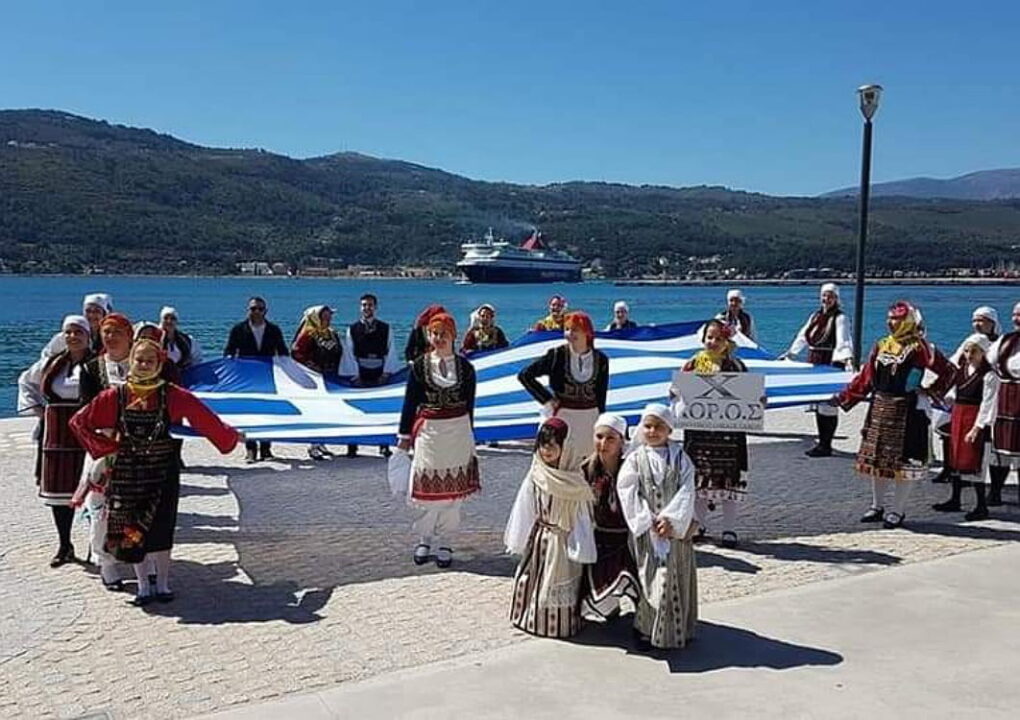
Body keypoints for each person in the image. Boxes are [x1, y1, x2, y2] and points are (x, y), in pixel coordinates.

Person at [71, 338, 241, 606]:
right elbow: (79, 422)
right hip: (128, 475)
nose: (144, 365)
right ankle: (143, 586)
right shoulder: (115, 396)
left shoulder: (173, 394)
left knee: (162, 528)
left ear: (159, 364)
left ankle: (162, 584)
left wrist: (230, 437)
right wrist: (108, 447)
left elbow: (205, 419)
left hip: (163, 474)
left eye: (150, 361)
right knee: (131, 530)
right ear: (131, 361)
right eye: (139, 360)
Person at [835, 301, 954, 529]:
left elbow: (949, 371)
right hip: (880, 407)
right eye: (890, 318)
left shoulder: (921, 348)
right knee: (878, 460)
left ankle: (897, 510)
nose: (891, 323)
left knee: (904, 464)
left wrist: (930, 391)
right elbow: (866, 377)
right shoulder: (881, 345)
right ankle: (877, 505)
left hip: (908, 411)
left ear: (908, 321)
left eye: (897, 319)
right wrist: (844, 397)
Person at [397, 312, 479, 568]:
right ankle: (424, 539)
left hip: (458, 433)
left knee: (453, 495)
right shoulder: (420, 366)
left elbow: (470, 405)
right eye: (434, 333)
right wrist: (404, 436)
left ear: (453, 335)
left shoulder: (466, 368)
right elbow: (410, 403)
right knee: (427, 491)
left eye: (444, 333)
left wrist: (470, 435)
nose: (439, 338)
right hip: (430, 433)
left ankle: (446, 541)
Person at [617, 403, 699, 650]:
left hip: (674, 533)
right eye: (648, 426)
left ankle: (679, 629)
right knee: (650, 579)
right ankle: (646, 630)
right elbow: (627, 490)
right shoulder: (635, 459)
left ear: (669, 430)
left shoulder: (681, 458)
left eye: (659, 427)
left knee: (676, 575)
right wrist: (647, 519)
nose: (652, 431)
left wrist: (672, 520)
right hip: (648, 531)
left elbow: (687, 490)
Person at [505, 417, 596, 638]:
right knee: (534, 577)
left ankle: (560, 623)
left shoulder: (575, 479)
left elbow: (582, 515)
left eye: (553, 445)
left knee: (560, 580)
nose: (547, 450)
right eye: (543, 445)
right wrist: (519, 537)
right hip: (541, 538)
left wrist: (581, 544)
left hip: (564, 539)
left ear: (565, 446)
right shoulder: (536, 473)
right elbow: (525, 506)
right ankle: (530, 618)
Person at [17, 315, 95, 567]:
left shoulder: (97, 364)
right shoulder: (52, 363)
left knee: (93, 490)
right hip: (57, 435)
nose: (73, 336)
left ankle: (95, 546)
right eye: (68, 332)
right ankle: (65, 545)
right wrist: (39, 411)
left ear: (87, 336)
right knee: (59, 492)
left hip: (86, 433)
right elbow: (25, 381)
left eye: (78, 332)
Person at [673, 319, 749, 548]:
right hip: (700, 434)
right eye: (710, 337)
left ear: (727, 341)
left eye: (718, 338)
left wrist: (758, 401)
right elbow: (677, 392)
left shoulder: (737, 366)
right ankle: (699, 525)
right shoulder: (692, 364)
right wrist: (676, 393)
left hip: (729, 435)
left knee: (729, 481)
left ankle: (729, 528)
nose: (713, 342)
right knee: (700, 481)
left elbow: (750, 395)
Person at [74, 312, 134, 589]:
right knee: (100, 505)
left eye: (117, 332)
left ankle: (135, 553)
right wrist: (104, 443)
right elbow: (85, 412)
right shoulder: (92, 369)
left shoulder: (142, 363)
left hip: (136, 446)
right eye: (106, 332)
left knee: (134, 504)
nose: (110, 337)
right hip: (104, 445)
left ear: (129, 336)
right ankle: (105, 561)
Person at [518, 311, 609, 470]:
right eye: (567, 329)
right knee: (560, 459)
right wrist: (547, 399)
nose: (570, 333)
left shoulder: (600, 359)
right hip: (563, 417)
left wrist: (602, 420)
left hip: (590, 419)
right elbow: (525, 375)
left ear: (587, 332)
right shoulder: (557, 355)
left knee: (588, 462)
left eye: (575, 329)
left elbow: (601, 393)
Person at [780, 283, 852, 457]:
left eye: (830, 296)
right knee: (819, 405)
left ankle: (826, 445)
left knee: (828, 405)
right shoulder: (815, 316)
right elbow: (803, 336)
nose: (827, 299)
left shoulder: (840, 318)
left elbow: (843, 340)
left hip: (830, 363)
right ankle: (822, 442)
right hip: (814, 363)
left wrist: (845, 361)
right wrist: (791, 353)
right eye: (824, 295)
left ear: (836, 298)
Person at [931, 306, 1001, 483]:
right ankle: (950, 468)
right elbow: (955, 364)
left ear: (992, 323)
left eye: (982, 320)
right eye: (975, 320)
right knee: (948, 432)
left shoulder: (1000, 344)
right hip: (963, 396)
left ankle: (980, 477)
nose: (977, 324)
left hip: (988, 396)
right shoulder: (970, 342)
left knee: (985, 442)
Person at [932, 334, 998, 520]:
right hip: (958, 416)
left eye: (974, 351)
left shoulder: (989, 375)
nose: (969, 355)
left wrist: (977, 427)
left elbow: (988, 403)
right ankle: (955, 499)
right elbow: (954, 392)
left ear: (983, 352)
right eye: (967, 351)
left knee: (975, 461)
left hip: (974, 418)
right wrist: (943, 398)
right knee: (955, 457)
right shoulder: (961, 371)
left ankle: (981, 506)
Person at [580, 413, 640, 620]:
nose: (603, 443)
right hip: (597, 539)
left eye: (610, 438)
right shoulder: (585, 470)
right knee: (599, 586)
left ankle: (644, 622)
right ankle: (610, 608)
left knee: (634, 579)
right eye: (599, 437)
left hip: (627, 539)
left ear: (622, 440)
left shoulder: (632, 468)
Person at [223, 296, 288, 463]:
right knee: (249, 414)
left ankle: (266, 449)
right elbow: (229, 352)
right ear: (248, 310)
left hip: (268, 379)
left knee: (268, 413)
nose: (256, 312)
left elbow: (283, 353)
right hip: (246, 379)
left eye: (260, 309)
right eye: (253, 308)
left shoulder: (274, 330)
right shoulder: (238, 329)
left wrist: (290, 373)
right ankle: (250, 449)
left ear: (266, 311)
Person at [340, 293, 401, 458]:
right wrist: (354, 375)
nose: (367, 308)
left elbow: (391, 351)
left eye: (370, 305)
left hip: (380, 372)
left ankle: (383, 446)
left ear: (375, 307)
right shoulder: (352, 329)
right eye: (364, 305)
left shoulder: (386, 328)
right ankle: (352, 446)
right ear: (360, 308)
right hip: (360, 373)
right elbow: (349, 353)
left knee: (382, 411)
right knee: (356, 411)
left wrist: (386, 373)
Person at [291, 305, 343, 460]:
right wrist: (311, 366)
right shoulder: (307, 334)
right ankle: (313, 445)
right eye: (325, 317)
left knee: (328, 412)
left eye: (329, 317)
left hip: (330, 377)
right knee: (316, 412)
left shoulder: (332, 334)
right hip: (314, 380)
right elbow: (295, 354)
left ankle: (321, 442)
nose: (328, 320)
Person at [986, 302, 1020, 506]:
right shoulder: (1006, 340)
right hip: (1005, 397)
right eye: (1015, 315)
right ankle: (995, 492)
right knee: (1000, 449)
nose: (1017, 319)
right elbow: (989, 362)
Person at [41, 292, 113, 357]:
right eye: (88, 311)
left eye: (97, 311)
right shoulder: (63, 337)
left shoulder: (110, 336)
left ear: (104, 314)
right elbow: (47, 355)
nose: (91, 315)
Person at [160, 306, 204, 371]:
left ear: (176, 321)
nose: (169, 321)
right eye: (165, 318)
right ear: (161, 320)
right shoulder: (155, 339)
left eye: (173, 318)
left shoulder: (187, 340)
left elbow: (197, 359)